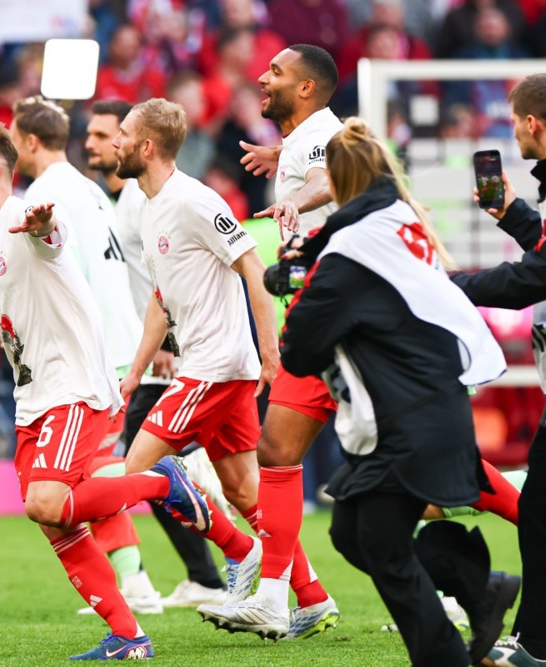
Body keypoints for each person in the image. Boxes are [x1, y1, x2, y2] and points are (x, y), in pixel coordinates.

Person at [0, 120, 213, 660]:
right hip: (31, 400)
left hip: (71, 387)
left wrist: (44, 227)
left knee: (47, 500)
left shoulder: (23, 217)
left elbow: (52, 239)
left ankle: (162, 482)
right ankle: (129, 637)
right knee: (53, 520)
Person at [280, 115, 518, 666]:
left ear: (335, 183)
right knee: (351, 533)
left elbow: (300, 350)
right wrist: (309, 267)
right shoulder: (398, 221)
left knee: (382, 547)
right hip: (426, 406)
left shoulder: (350, 251)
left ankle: (452, 642)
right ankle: (478, 589)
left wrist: (301, 283)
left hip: (405, 418)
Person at [111, 98, 280, 615]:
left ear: (146, 146)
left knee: (138, 470)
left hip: (215, 365)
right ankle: (310, 595)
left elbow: (254, 267)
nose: (115, 142)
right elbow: (162, 300)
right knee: (245, 491)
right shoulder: (148, 206)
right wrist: (137, 369)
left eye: (121, 133)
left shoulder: (195, 200)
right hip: (207, 365)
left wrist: (269, 351)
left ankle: (241, 551)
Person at [198, 44, 342, 638]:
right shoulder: (312, 134)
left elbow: (328, 176)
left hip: (341, 317)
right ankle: (282, 600)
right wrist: (283, 156)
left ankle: (543, 528)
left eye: (277, 72)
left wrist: (291, 198)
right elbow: (322, 157)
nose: (262, 76)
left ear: (305, 88)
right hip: (318, 315)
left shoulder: (321, 138)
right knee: (277, 453)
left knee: (428, 469)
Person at [11, 96, 159, 614]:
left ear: (29, 140)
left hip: (92, 351)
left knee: (88, 474)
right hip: (116, 339)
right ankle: (133, 579)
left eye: (13, 135)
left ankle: (167, 496)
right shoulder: (90, 188)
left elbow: (60, 276)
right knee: (88, 472)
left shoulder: (45, 194)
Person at [85, 99, 228, 608]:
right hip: (151, 349)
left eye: (107, 134)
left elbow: (164, 279)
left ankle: (207, 510)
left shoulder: (147, 200)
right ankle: (209, 573)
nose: (97, 144)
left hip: (176, 353)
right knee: (170, 466)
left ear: (142, 143)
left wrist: (164, 345)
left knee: (147, 463)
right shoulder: (129, 199)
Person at [450, 73, 546, 667]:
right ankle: (533, 645)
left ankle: (534, 647)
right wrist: (510, 212)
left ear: (530, 124)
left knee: (545, 512)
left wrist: (454, 287)